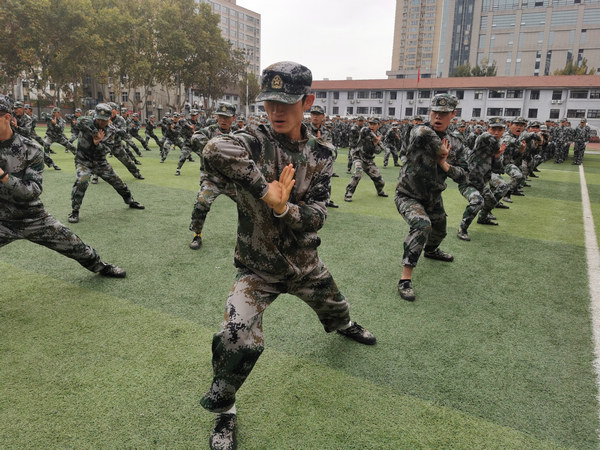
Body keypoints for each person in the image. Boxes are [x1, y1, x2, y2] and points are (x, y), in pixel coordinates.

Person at [198, 62, 376, 450]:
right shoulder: (253, 141)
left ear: (307, 101)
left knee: (336, 307)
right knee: (236, 336)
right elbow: (213, 148)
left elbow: (317, 215)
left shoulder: (322, 153)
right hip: (257, 268)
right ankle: (224, 409)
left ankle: (344, 325)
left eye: (287, 102)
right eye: (269, 103)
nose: (276, 111)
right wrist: (267, 192)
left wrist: (284, 210)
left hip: (305, 265)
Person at [0, 95, 125, 278]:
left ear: (7, 117)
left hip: (32, 217)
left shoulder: (30, 149)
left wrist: (2, 176)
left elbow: (31, 191)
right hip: (1, 219)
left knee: (74, 245)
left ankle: (100, 266)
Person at [395, 94, 467, 302]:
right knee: (421, 225)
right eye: (435, 112)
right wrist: (440, 149)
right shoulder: (419, 131)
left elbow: (464, 174)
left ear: (453, 114)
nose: (438, 116)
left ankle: (432, 250)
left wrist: (445, 164)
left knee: (440, 230)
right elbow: (423, 131)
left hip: (433, 197)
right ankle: (405, 279)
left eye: (444, 113)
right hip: (408, 193)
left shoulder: (457, 141)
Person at [68, 103, 145, 224]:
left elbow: (106, 149)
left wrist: (97, 143)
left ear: (109, 119)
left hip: (100, 162)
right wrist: (95, 133)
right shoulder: (87, 121)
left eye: (104, 120)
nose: (101, 122)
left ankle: (129, 200)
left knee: (117, 181)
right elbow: (79, 121)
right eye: (99, 119)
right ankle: (75, 210)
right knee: (82, 180)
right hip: (83, 161)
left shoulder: (111, 131)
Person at [187, 103, 237, 249]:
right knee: (201, 203)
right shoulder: (208, 131)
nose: (223, 120)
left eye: (227, 117)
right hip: (212, 180)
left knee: (250, 205)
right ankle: (197, 235)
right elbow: (195, 139)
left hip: (232, 181)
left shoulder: (238, 135)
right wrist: (215, 148)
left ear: (233, 118)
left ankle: (252, 236)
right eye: (220, 116)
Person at [457, 117, 508, 241]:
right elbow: (486, 136)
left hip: (481, 183)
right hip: (468, 182)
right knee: (478, 201)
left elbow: (498, 168)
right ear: (488, 128)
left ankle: (483, 218)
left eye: (499, 129)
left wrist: (497, 155)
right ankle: (462, 229)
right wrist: (497, 149)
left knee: (491, 201)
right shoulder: (483, 139)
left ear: (503, 130)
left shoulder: (496, 147)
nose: (496, 132)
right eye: (493, 129)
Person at [344, 117, 388, 202]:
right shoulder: (365, 130)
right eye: (370, 124)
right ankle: (348, 194)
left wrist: (375, 143)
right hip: (358, 157)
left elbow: (378, 151)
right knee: (358, 174)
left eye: (374, 124)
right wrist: (376, 139)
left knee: (380, 180)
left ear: (378, 125)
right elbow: (364, 131)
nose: (371, 126)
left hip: (369, 160)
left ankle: (380, 191)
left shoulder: (379, 135)